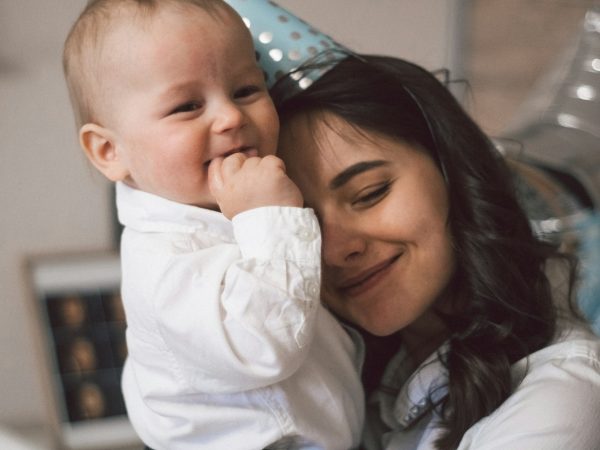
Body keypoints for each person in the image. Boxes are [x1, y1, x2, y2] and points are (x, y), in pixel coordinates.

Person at [61, 1, 364, 449]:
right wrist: (267, 217)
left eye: (245, 90)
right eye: (187, 105)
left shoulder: (228, 206)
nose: (231, 117)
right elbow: (264, 345)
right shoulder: (163, 263)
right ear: (110, 151)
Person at [272, 54, 600, 450]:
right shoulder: (351, 387)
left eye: (370, 194)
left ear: (452, 173)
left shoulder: (560, 402)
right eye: (304, 224)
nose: (337, 249)